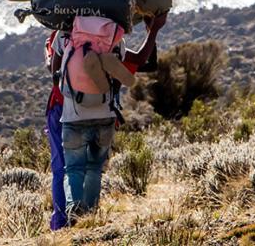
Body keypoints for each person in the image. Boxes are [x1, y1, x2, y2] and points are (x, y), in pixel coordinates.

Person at [46, 12, 167, 225]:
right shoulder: (114, 38)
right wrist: (154, 29)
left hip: (73, 116)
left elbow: (55, 75)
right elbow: (140, 59)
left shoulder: (64, 36)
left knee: (73, 169)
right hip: (105, 115)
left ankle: (74, 214)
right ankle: (90, 218)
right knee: (94, 168)